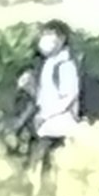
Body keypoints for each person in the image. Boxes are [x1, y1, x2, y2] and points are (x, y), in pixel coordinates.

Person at [22, 21, 85, 170]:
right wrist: (30, 87)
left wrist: (45, 114)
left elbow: (69, 96)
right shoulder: (49, 63)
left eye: (50, 34)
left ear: (62, 39)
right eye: (44, 34)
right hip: (47, 129)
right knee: (39, 171)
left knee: (50, 171)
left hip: (60, 130)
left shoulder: (65, 65)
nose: (45, 38)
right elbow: (45, 98)